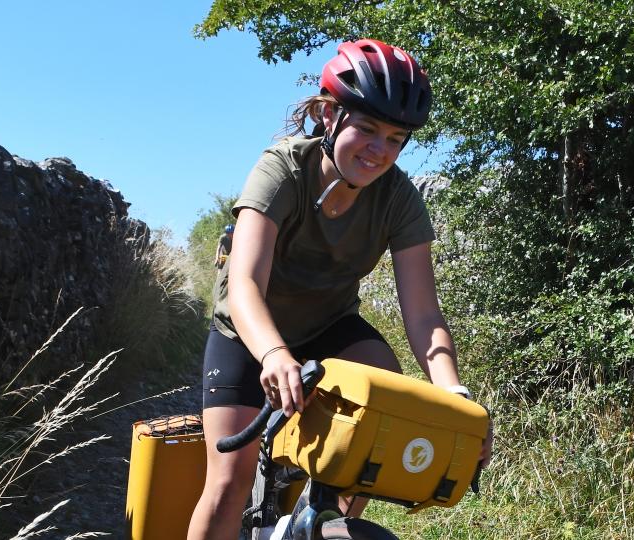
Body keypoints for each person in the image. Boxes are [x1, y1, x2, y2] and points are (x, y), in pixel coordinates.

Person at [187, 38, 493, 540]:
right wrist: (272, 356)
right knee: (228, 483)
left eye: (396, 138)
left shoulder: (398, 199)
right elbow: (244, 284)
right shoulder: (282, 170)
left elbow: (423, 315)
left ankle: (317, 525)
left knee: (383, 406)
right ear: (329, 116)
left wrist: (455, 396)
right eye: (368, 129)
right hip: (251, 332)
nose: (380, 150)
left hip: (330, 325)